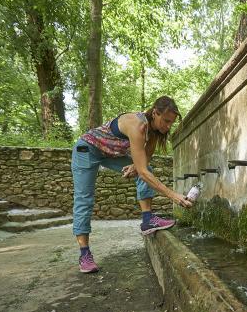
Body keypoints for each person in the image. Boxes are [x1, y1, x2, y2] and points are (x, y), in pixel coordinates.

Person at [71, 95, 193, 273]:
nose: (168, 126)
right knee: (84, 199)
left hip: (109, 153)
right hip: (87, 149)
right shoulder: (137, 125)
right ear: (155, 113)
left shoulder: (154, 131)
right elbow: (143, 173)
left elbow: (144, 163)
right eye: (166, 121)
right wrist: (173, 195)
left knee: (146, 169)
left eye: (171, 123)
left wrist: (136, 166)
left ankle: (147, 220)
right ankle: (84, 254)